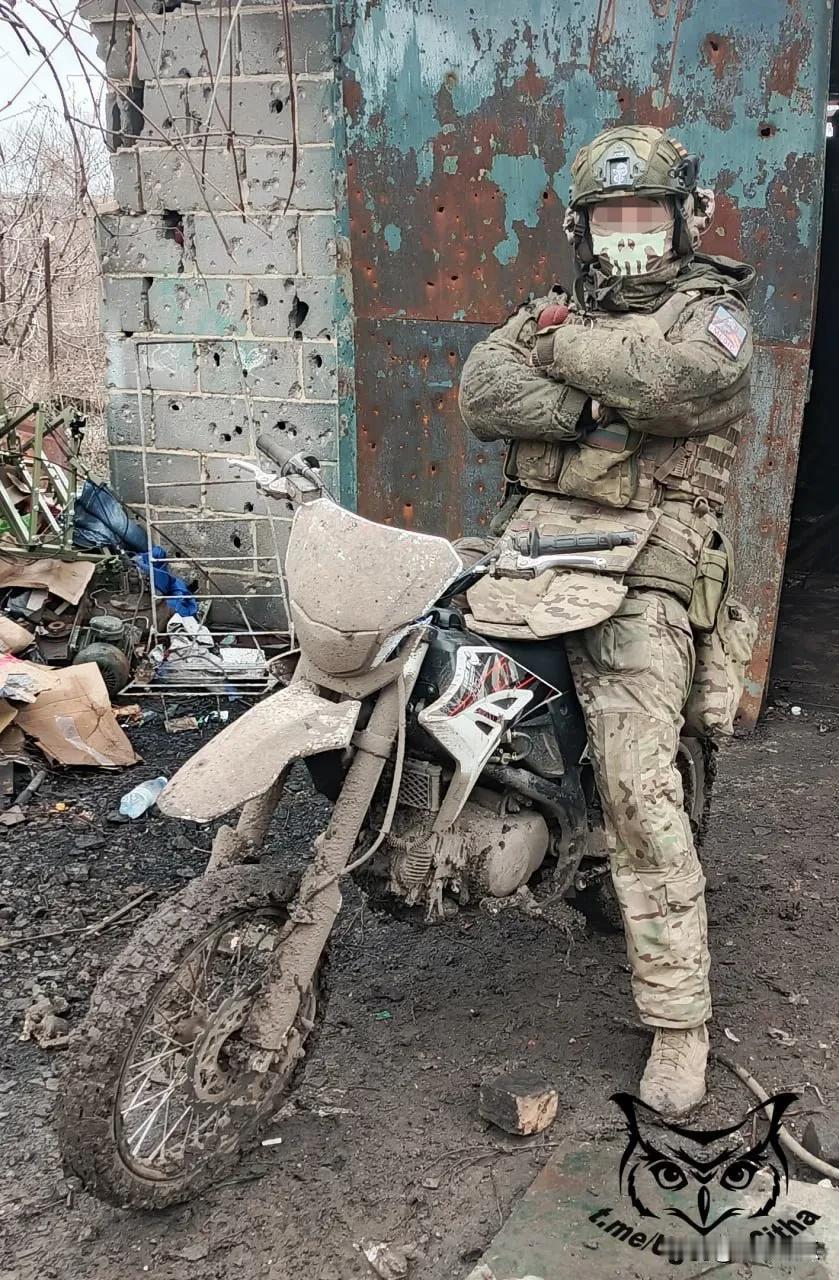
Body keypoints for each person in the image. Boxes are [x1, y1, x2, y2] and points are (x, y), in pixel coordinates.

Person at [457, 125, 755, 1118]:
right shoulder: (551, 306)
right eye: (606, 218)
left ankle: (678, 1018)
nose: (625, 233)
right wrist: (589, 411)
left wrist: (557, 348)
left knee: (634, 778)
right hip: (533, 547)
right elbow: (479, 389)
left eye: (642, 214)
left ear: (682, 218)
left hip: (650, 567)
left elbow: (674, 387)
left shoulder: (712, 320)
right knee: (421, 681)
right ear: (582, 229)